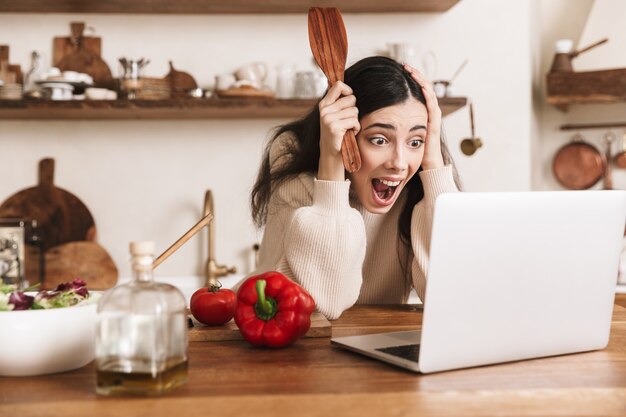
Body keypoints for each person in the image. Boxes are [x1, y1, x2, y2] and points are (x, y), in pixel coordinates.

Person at [249, 56, 461, 320]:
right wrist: (331, 161)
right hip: (287, 339)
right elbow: (326, 302)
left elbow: (455, 295)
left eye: (415, 142)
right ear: (346, 133)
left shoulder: (417, 187)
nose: (399, 163)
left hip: (374, 344)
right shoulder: (297, 171)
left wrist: (433, 165)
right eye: (379, 139)